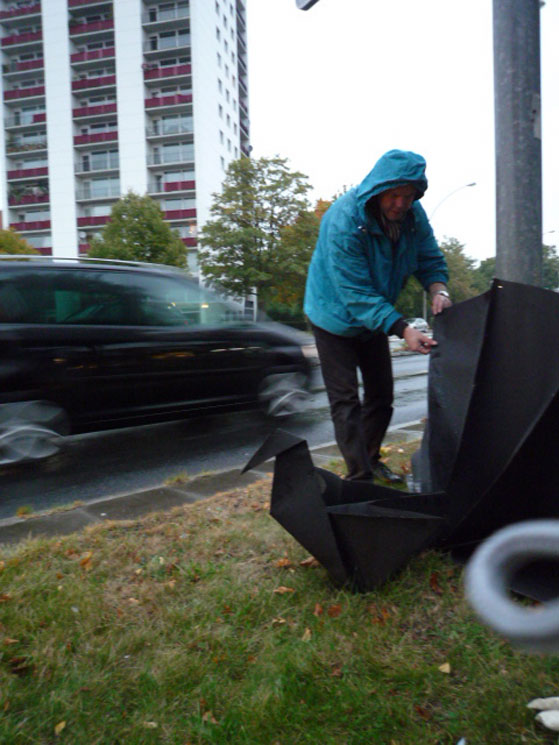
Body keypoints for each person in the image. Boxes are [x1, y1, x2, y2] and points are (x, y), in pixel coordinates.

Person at [304, 149, 451, 483]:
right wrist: (402, 327)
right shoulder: (343, 220)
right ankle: (359, 479)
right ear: (379, 189)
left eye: (409, 196)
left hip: (375, 316)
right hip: (334, 317)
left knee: (382, 397)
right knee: (345, 401)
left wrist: (438, 289)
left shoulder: (414, 216)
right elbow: (355, 293)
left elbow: (429, 256)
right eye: (394, 195)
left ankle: (370, 459)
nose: (401, 203)